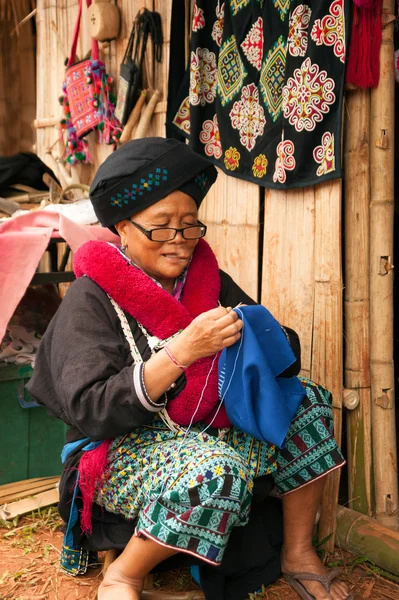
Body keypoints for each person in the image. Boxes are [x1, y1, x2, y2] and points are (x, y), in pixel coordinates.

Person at [27, 138, 352, 600]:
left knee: (307, 403)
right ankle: (124, 574)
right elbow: (91, 408)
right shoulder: (91, 297)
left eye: (189, 226)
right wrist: (182, 351)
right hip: (121, 445)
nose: (179, 242)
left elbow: (279, 351)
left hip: (204, 427)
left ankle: (298, 553)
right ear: (123, 227)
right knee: (215, 469)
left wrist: (250, 335)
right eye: (161, 228)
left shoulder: (204, 279)